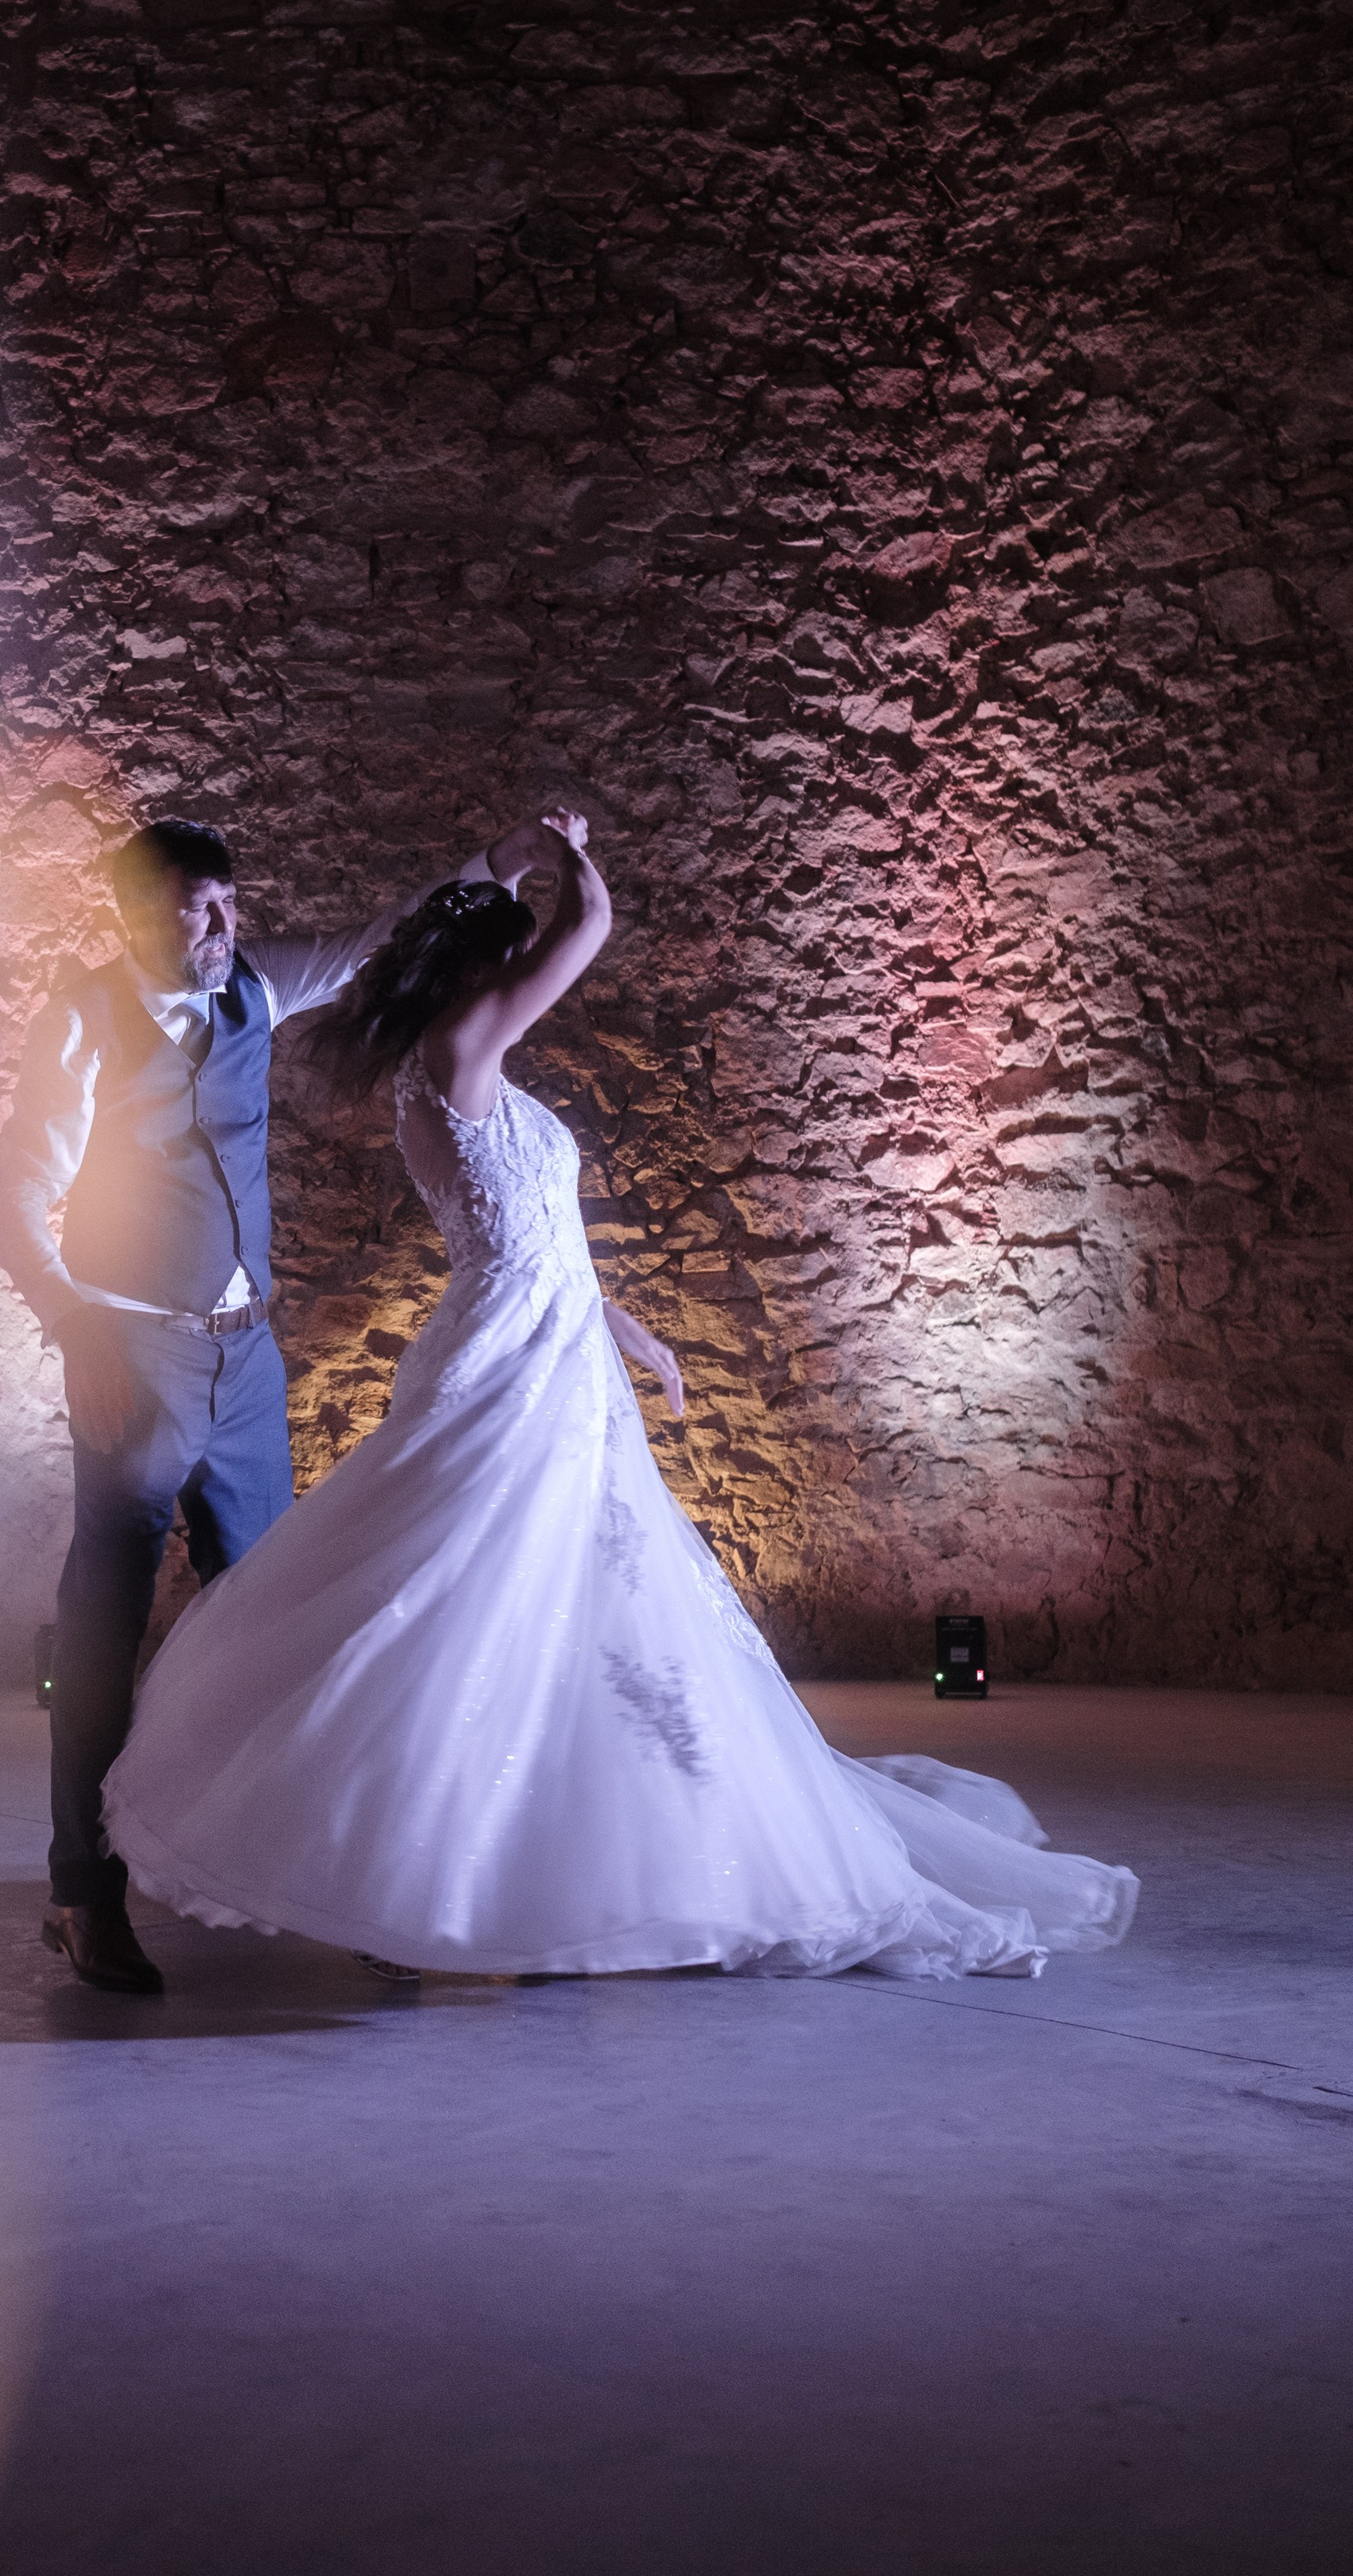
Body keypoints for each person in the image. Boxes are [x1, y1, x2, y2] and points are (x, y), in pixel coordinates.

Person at [102, 814, 1140, 1982]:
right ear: (486, 971)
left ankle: (527, 1856)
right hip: (512, 1367)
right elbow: (587, 928)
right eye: (509, 963)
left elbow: (535, 1237)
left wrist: (624, 1323)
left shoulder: (461, 1070)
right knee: (472, 1601)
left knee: (562, 1607)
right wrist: (563, 851)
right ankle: (424, 1875)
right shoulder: (459, 1055)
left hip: (550, 1345)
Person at [0, 810, 554, 1994]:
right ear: (133, 914)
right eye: (189, 907)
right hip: (138, 1360)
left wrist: (496, 865)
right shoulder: (85, 1021)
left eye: (221, 901)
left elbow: (369, 945)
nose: (215, 924)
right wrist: (77, 1322)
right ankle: (82, 1897)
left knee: (283, 1629)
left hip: (249, 1364)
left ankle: (323, 1877)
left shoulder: (249, 984)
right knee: (104, 1637)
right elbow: (14, 1201)